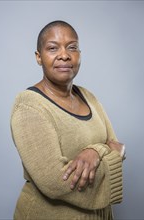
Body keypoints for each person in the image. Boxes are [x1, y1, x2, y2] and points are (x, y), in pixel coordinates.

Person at [10, 20, 126, 220]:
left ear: (79, 54)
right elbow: (56, 183)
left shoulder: (88, 97)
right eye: (53, 48)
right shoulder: (29, 106)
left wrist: (94, 152)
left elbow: (117, 145)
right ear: (39, 57)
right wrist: (108, 152)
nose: (64, 55)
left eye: (72, 47)